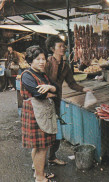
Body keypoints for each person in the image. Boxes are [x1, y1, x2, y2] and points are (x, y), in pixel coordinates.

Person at [45, 35, 91, 165]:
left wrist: (83, 89)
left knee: (56, 129)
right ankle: (39, 159)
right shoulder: (47, 63)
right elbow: (41, 80)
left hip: (57, 100)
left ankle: (52, 156)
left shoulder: (65, 66)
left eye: (63, 46)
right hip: (45, 100)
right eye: (60, 46)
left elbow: (71, 83)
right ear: (52, 49)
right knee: (44, 130)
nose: (63, 48)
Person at [21, 45, 57, 182]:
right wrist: (51, 93)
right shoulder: (27, 75)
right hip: (34, 113)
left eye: (43, 59)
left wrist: (50, 88)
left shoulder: (42, 74)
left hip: (41, 112)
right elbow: (39, 94)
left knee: (39, 146)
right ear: (31, 61)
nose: (42, 62)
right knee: (41, 148)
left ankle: (38, 173)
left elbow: (55, 88)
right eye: (38, 59)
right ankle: (41, 178)